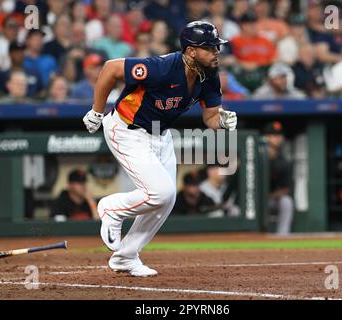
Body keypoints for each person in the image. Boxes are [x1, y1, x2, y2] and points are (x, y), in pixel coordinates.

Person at [82, 21, 237, 277]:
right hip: (126, 128)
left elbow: (210, 117)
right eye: (209, 47)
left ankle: (125, 257)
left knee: (166, 200)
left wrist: (222, 121)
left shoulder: (209, 75)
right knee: (160, 193)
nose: (216, 52)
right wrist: (97, 112)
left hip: (160, 134)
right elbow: (111, 69)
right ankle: (111, 208)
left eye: (216, 47)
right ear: (191, 51)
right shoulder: (163, 67)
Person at [263, 121, 294, 236]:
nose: (278, 138)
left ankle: (282, 236)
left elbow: (286, 188)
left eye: (280, 135)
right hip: (252, 200)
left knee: (287, 202)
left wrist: (271, 196)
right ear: (266, 137)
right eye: (274, 135)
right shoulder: (255, 155)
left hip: (270, 199)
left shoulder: (283, 161)